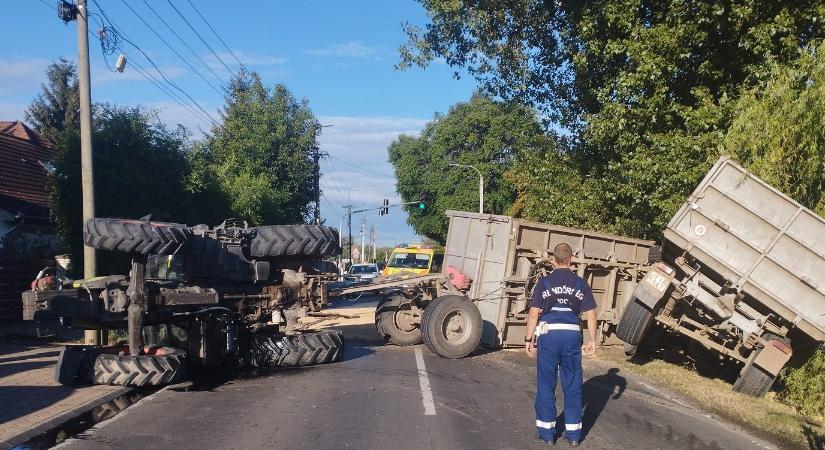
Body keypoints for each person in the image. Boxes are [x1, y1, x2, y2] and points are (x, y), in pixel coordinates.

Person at [525, 243, 597, 446]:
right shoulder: (581, 284)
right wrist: (592, 340)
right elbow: (590, 315)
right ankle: (574, 436)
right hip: (572, 336)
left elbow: (533, 313)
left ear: (553, 260)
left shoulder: (545, 283)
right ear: (571, 259)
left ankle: (547, 434)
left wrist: (528, 339)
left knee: (546, 384)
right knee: (573, 384)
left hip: (549, 336)